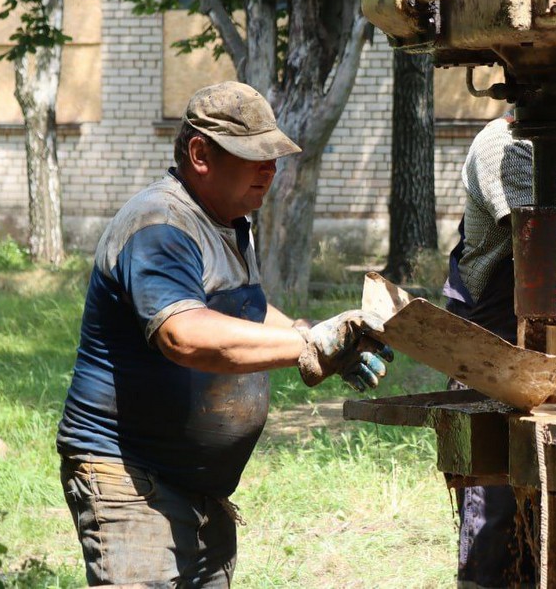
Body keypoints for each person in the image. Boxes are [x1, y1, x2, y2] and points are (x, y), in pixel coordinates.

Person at [56, 81, 392, 587]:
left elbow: (244, 311)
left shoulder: (226, 221)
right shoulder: (160, 225)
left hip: (196, 487)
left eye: (274, 157)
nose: (270, 169)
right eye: (254, 156)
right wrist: (307, 347)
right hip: (129, 479)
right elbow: (185, 334)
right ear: (200, 154)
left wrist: (316, 333)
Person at [443, 113, 538, 589]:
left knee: (535, 502)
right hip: (489, 342)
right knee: (494, 498)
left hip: (534, 338)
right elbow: (539, 234)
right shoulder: (503, 145)